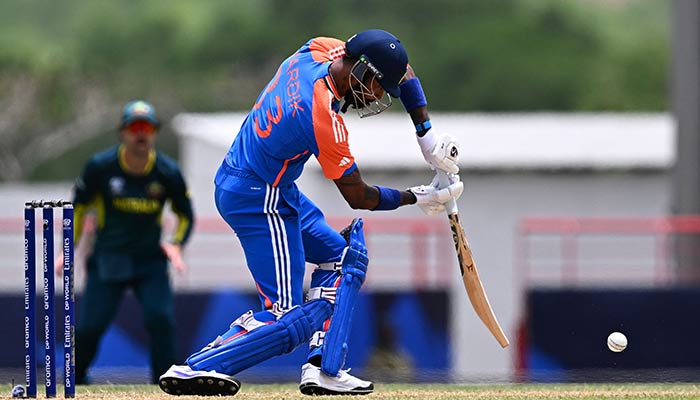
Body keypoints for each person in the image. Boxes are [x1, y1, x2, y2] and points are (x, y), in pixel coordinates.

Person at [158, 29, 462, 397]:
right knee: (287, 317)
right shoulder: (321, 115)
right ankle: (198, 367)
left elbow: (404, 71)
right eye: (379, 86)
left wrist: (426, 138)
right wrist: (415, 197)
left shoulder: (320, 50)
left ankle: (323, 368)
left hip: (268, 183)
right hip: (258, 196)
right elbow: (358, 195)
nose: (379, 95)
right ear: (362, 71)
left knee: (340, 260)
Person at [64, 100, 195, 384]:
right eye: (134, 128)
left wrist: (175, 244)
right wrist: (68, 249)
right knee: (89, 326)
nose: (140, 134)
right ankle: (75, 380)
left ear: (154, 133)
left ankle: (165, 382)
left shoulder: (167, 172)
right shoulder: (101, 167)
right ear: (123, 132)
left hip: (150, 260)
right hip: (109, 257)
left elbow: (185, 214)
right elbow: (79, 208)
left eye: (146, 128)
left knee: (160, 319)